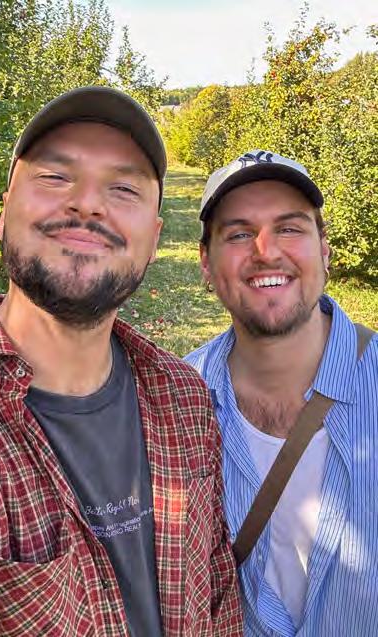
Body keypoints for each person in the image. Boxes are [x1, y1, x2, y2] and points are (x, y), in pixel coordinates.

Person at [0, 86, 242, 636]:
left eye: (123, 188)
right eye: (54, 176)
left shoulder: (183, 396)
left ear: (153, 238)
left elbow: (214, 589)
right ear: (4, 213)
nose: (88, 203)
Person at [185, 149, 377, 636]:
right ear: (206, 262)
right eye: (239, 234)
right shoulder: (177, 400)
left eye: (290, 228)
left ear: (324, 250)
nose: (266, 251)